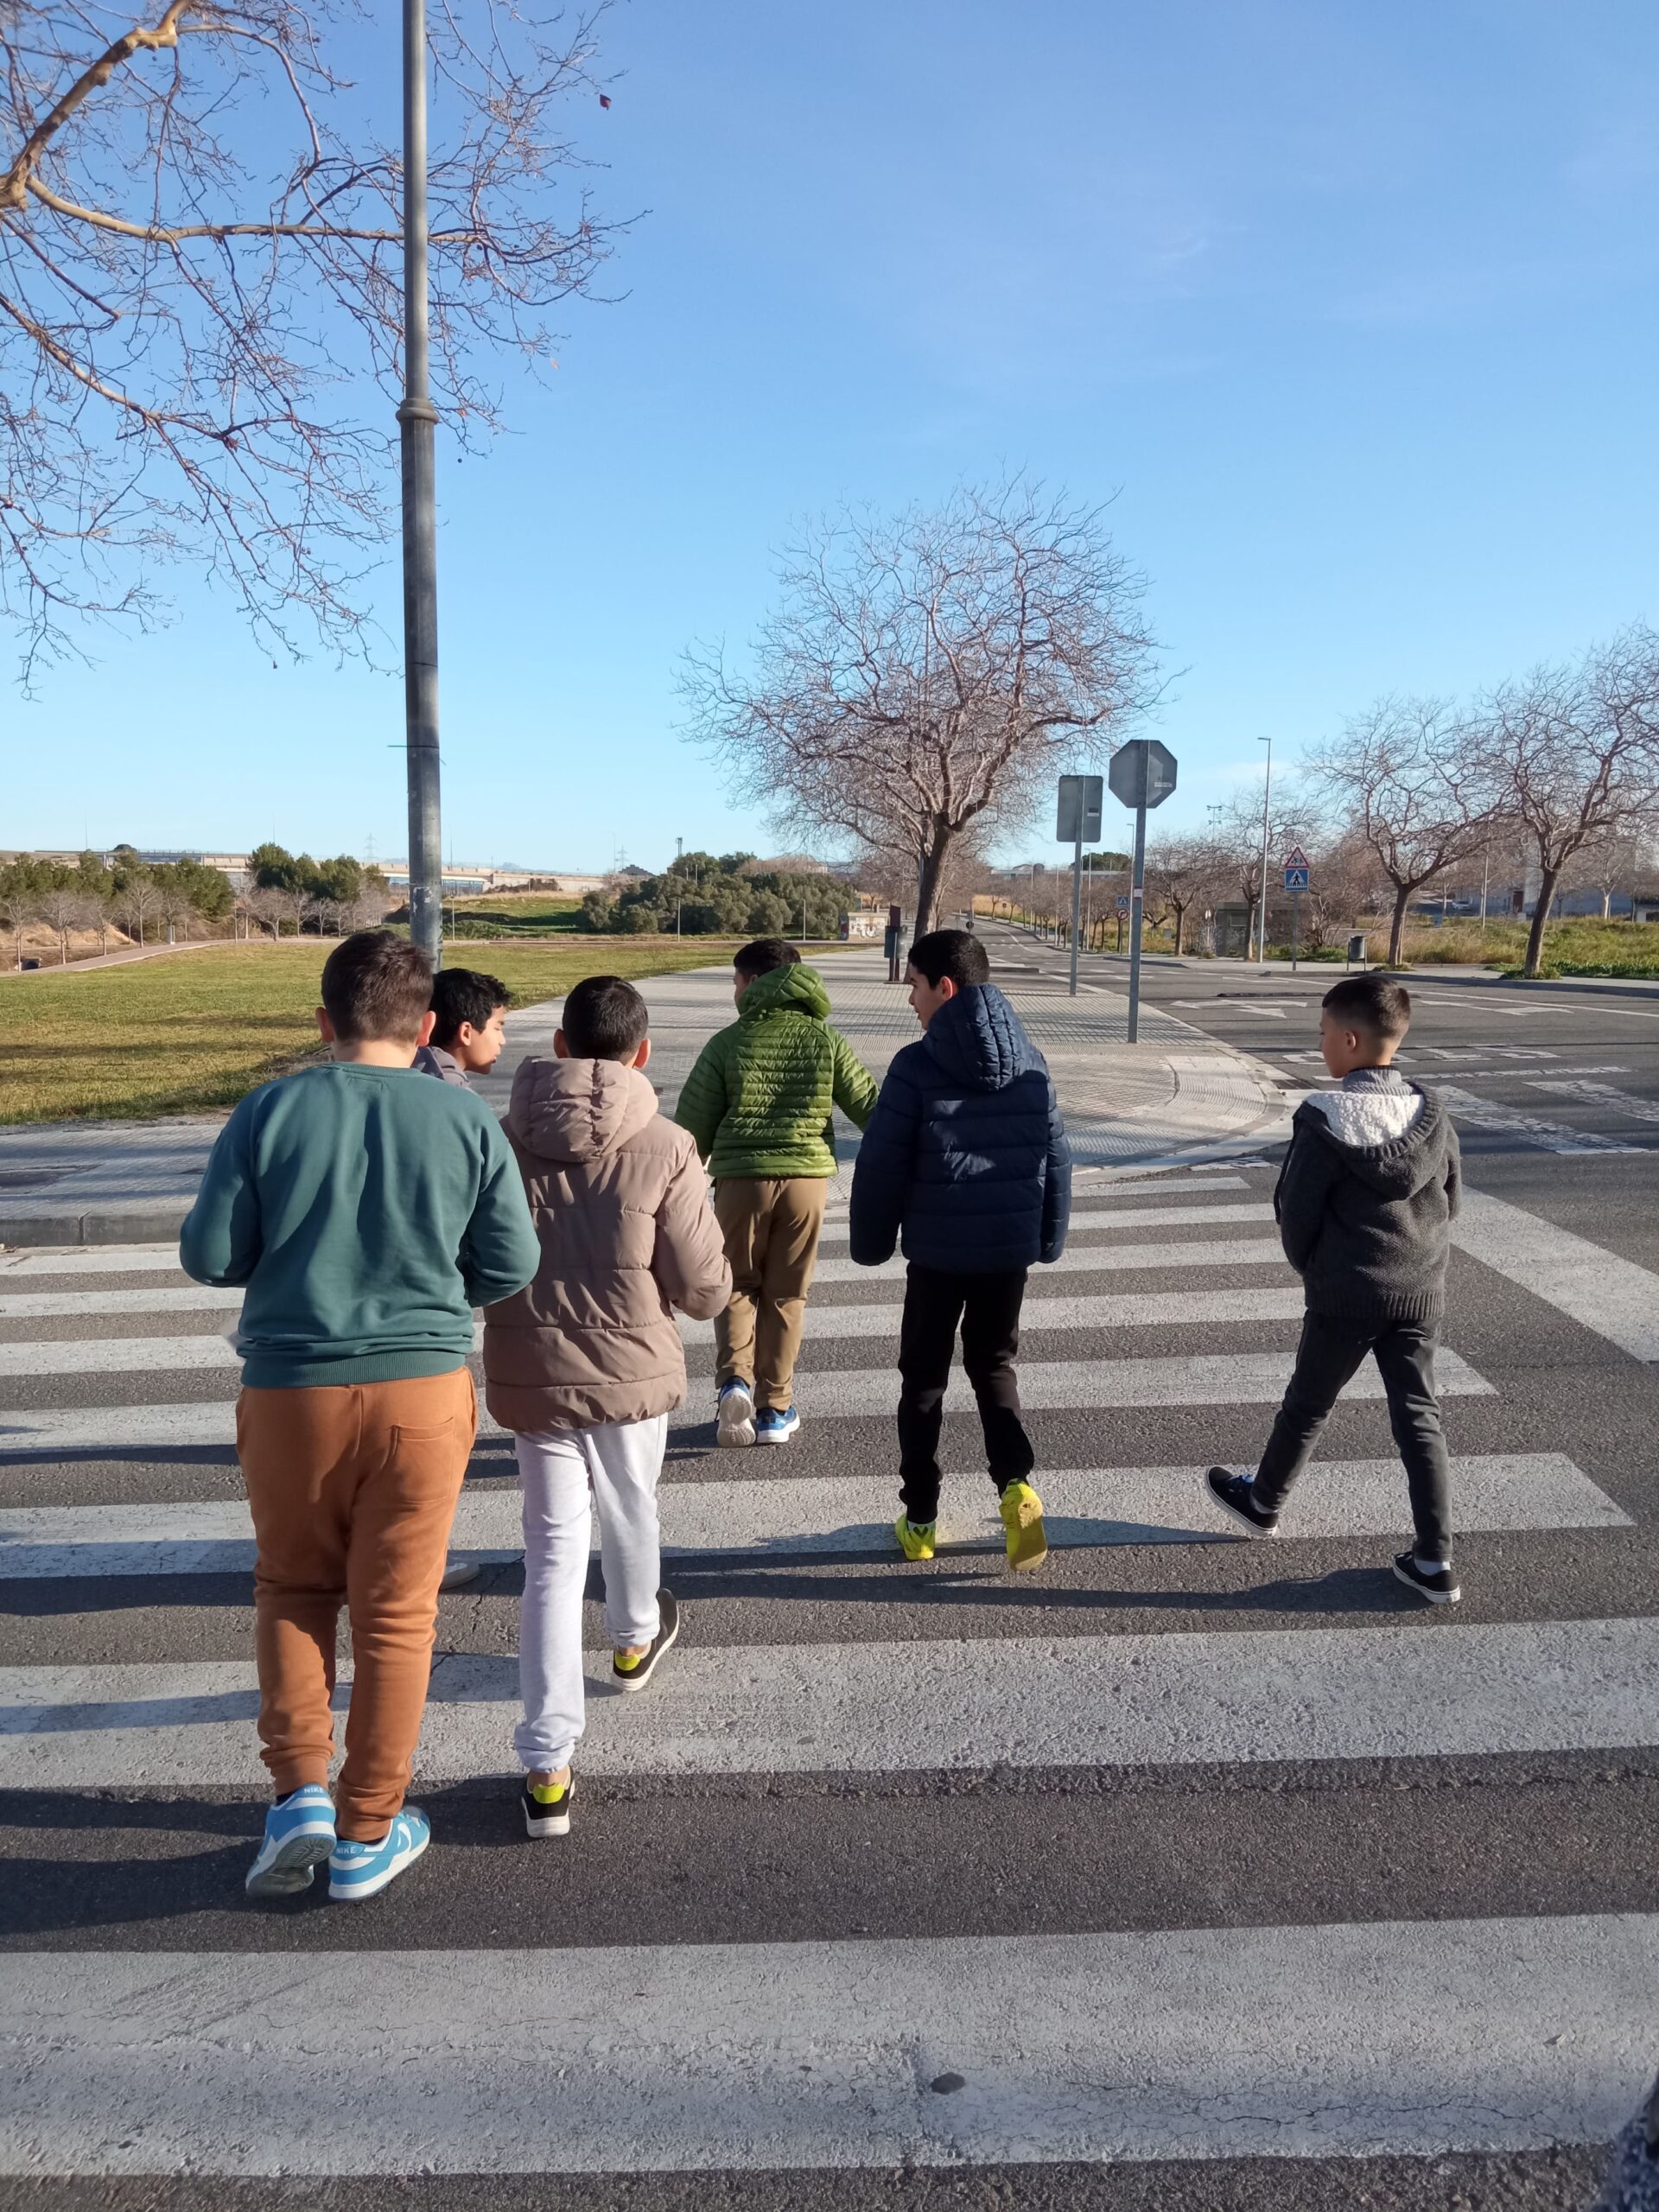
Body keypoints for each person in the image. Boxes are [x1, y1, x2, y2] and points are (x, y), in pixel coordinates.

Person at [179, 931, 541, 1901]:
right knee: (398, 1615)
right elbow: (513, 1263)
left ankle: (297, 1793)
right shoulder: (461, 1118)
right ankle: (368, 1826)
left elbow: (210, 1255)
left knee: (292, 1589)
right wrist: (441, 1291)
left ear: (323, 1020)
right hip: (422, 1388)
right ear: (426, 1027)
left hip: (290, 1387)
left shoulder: (269, 1109)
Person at [482, 976, 730, 1837]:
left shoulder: (500, 1141)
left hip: (534, 1370)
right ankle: (632, 1640)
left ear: (559, 1045)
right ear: (643, 1052)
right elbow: (702, 1286)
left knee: (550, 1555)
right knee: (631, 1505)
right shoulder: (668, 1144)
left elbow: (480, 1260)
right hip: (631, 1372)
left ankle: (547, 1766)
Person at [1202, 974, 1463, 1604]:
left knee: (1309, 1404)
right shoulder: (1432, 1112)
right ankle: (1434, 1560)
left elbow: (1295, 1209)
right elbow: (1451, 1197)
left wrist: (1312, 1268)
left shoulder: (1323, 1117)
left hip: (1345, 1292)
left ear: (1350, 1040)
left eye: (1322, 1033)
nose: (1319, 1044)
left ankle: (1263, 1502)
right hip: (1419, 1289)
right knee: (1419, 1418)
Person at [849, 928, 1071, 1571]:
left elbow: (881, 1165)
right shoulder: (1032, 1058)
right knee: (995, 1368)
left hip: (937, 1257)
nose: (910, 1000)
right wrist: (1048, 1238)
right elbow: (1056, 1155)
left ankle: (920, 1518)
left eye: (914, 985)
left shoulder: (915, 1066)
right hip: (1006, 1254)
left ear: (944, 987)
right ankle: (1017, 1488)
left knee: (923, 1380)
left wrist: (871, 1244)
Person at [675, 938, 878, 1447]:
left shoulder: (727, 1042)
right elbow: (872, 1110)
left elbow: (691, 1130)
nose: (734, 993)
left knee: (736, 1285)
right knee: (787, 1294)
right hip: (806, 1184)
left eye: (735, 982)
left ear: (752, 982)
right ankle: (775, 1411)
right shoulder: (825, 1039)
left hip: (740, 1182)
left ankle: (734, 1383)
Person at [410, 964, 512, 1591]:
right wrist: (463, 1290)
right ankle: (420, 1560)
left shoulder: (401, 1077)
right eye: (499, 1026)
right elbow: (505, 1247)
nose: (504, 1040)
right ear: (465, 1030)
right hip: (423, 1311)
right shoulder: (457, 1106)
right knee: (423, 1460)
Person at [413, 967, 510, 1086]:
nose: (502, 1041)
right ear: (465, 1033)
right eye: (497, 1028)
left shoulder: (410, 1071)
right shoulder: (455, 1093)